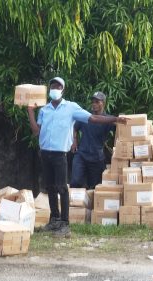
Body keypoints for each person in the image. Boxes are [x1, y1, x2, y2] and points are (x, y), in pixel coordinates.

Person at [28, 77, 126, 237]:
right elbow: (35, 131)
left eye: (58, 86)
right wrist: (30, 111)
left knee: (62, 187)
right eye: (53, 86)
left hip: (60, 154)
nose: (55, 88)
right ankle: (54, 219)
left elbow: (93, 118)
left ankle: (65, 224)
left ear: (63, 90)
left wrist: (115, 119)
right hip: (45, 153)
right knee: (50, 187)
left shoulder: (71, 108)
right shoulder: (44, 110)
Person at [70, 91, 116, 189]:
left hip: (96, 158)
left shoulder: (108, 119)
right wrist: (74, 140)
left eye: (97, 102)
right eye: (93, 102)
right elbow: (74, 128)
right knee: (75, 182)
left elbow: (121, 130)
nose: (94, 104)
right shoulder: (86, 116)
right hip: (81, 155)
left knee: (94, 187)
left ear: (103, 103)